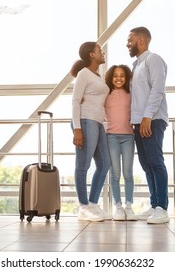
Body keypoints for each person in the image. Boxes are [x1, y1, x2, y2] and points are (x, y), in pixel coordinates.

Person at [126, 26, 170, 224]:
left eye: (130, 40)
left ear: (141, 40)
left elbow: (158, 89)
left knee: (155, 161)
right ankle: (154, 205)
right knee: (146, 164)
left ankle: (162, 208)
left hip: (152, 119)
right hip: (139, 121)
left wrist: (147, 117)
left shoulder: (154, 60)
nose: (128, 44)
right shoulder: (136, 66)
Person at [70, 41, 112, 222]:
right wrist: (77, 129)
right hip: (85, 122)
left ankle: (93, 204)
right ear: (91, 54)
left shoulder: (97, 76)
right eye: (99, 50)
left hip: (97, 123)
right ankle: (83, 206)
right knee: (83, 164)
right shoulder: (84, 73)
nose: (102, 53)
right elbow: (75, 101)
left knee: (105, 164)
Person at [104, 65, 139, 221]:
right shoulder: (106, 94)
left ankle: (129, 206)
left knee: (128, 173)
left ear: (127, 78)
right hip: (111, 137)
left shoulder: (131, 94)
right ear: (111, 78)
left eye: (122, 75)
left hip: (128, 137)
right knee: (115, 174)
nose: (118, 78)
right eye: (115, 76)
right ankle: (118, 207)